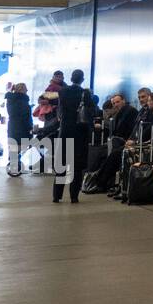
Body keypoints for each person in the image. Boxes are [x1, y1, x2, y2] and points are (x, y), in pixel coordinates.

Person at [115, 91, 153, 203]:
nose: (147, 103)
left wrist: (141, 144)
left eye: (149, 101)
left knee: (129, 153)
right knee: (126, 152)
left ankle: (130, 189)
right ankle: (125, 188)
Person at [51, 70, 97, 204]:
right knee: (76, 167)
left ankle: (57, 196)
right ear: (82, 79)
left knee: (62, 165)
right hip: (80, 133)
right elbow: (91, 111)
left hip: (65, 131)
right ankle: (74, 197)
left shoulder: (63, 91)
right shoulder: (85, 93)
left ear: (71, 78)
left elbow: (59, 110)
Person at [82, 92, 138, 193]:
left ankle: (98, 181)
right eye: (114, 103)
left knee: (108, 154)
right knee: (100, 154)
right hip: (121, 141)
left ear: (123, 101)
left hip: (125, 142)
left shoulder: (129, 111)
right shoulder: (121, 112)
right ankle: (96, 179)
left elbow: (124, 130)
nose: (115, 105)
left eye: (117, 102)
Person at [4, 83, 32, 177]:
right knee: (19, 146)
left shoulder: (11, 100)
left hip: (13, 127)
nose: (27, 91)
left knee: (15, 146)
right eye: (25, 89)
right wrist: (30, 129)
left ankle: (13, 161)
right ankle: (14, 164)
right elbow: (25, 117)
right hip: (22, 127)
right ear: (21, 90)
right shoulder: (22, 101)